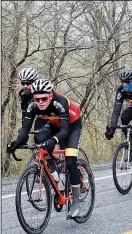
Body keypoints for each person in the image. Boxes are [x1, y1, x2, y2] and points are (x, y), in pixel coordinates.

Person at [7, 79, 83, 218]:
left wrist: (54, 140)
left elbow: (65, 130)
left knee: (71, 160)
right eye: (37, 99)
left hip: (72, 126)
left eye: (44, 98)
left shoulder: (60, 102)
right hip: (54, 123)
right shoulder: (32, 105)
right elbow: (25, 130)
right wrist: (16, 143)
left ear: (50, 95)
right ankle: (55, 172)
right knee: (40, 140)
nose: (40, 102)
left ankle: (76, 202)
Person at [104, 68, 132, 145]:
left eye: (127, 82)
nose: (125, 84)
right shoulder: (121, 90)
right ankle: (130, 145)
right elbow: (116, 111)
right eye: (122, 82)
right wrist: (112, 128)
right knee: (125, 116)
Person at [17, 68, 49, 143]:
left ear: (35, 82)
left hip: (53, 115)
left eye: (28, 83)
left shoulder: (43, 90)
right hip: (41, 116)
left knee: (44, 137)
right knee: (38, 139)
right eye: (23, 83)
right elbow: (25, 113)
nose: (25, 86)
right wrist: (24, 131)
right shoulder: (22, 94)